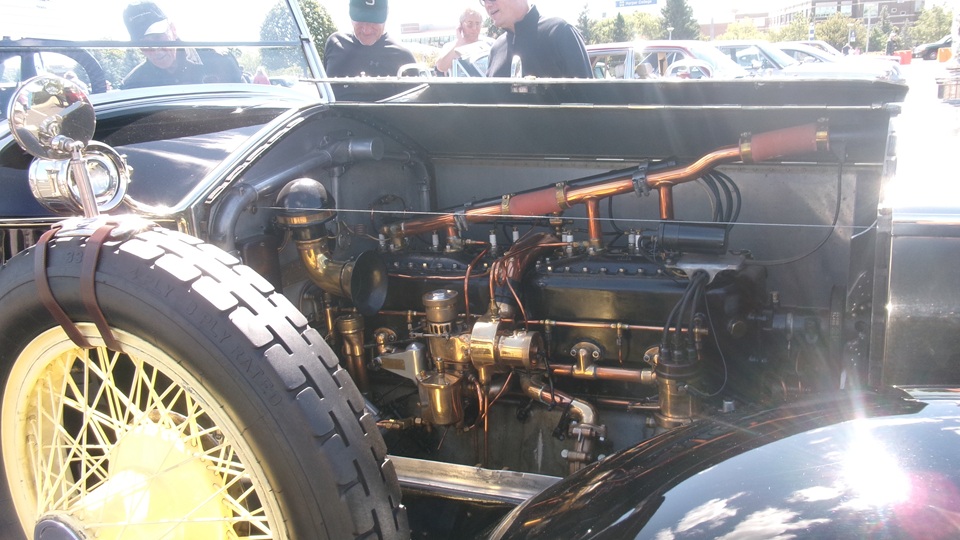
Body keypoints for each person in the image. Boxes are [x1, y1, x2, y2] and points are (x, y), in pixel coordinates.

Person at [121, 1, 243, 89]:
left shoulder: (219, 61)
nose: (155, 49)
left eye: (158, 37)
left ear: (173, 30)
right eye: (144, 44)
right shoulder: (134, 85)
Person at [323, 0, 416, 100]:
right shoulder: (334, 44)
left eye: (374, 21)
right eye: (360, 20)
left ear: (387, 14)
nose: (366, 30)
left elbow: (414, 105)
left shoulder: (402, 56)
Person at [482, 0, 591, 78]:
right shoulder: (496, 50)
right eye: (483, 0)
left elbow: (587, 97)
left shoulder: (559, 32)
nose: (488, 5)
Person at [435, 7, 493, 75]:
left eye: (477, 24)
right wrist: (458, 43)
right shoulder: (450, 46)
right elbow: (441, 67)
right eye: (469, 24)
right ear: (461, 25)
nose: (474, 28)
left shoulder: (490, 44)